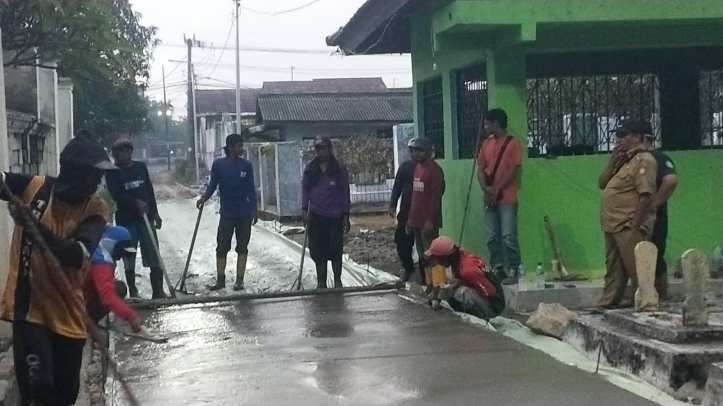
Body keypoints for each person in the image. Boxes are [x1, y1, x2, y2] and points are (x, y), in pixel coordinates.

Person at [0, 136, 112, 406]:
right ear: (75, 172)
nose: (97, 183)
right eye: (94, 175)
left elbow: (76, 254)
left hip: (69, 315)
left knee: (65, 395)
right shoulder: (35, 188)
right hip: (29, 310)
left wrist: (34, 227)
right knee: (39, 389)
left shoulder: (96, 208)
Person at [597, 120, 658, 309]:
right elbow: (602, 182)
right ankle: (609, 301)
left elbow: (646, 195)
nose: (619, 139)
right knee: (613, 267)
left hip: (628, 222)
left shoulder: (644, 160)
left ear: (638, 137)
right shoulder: (625, 160)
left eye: (623, 135)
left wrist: (635, 225)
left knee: (636, 267)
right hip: (613, 222)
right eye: (618, 135)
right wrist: (613, 161)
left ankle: (646, 302)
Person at [105, 139, 166, 299]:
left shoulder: (140, 167)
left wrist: (155, 213)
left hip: (146, 217)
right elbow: (116, 195)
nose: (120, 155)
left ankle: (158, 290)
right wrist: (134, 202)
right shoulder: (112, 172)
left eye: (123, 151)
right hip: (126, 219)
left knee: (153, 251)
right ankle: (133, 290)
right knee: (129, 253)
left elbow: (149, 191)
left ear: (130, 152)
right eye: (116, 152)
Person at [197, 132, 258, 291]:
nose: (241, 148)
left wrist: (254, 209)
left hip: (244, 213)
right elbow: (212, 185)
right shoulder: (219, 165)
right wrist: (204, 198)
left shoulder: (246, 165)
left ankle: (240, 280)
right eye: (238, 146)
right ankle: (220, 280)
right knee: (222, 247)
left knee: (242, 247)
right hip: (227, 214)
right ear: (230, 147)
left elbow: (251, 189)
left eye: (241, 145)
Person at [477, 108, 524, 285]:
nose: (485, 127)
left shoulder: (513, 144)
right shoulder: (486, 144)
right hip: (490, 196)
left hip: (507, 197)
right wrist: (486, 188)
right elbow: (480, 168)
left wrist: (497, 188)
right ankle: (497, 268)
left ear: (496, 123)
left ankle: (514, 268)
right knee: (491, 236)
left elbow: (513, 170)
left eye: (487, 124)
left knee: (508, 236)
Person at [302, 137, 351, 289]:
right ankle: (321, 283)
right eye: (318, 148)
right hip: (316, 215)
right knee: (318, 251)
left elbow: (345, 192)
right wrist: (304, 209)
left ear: (330, 149)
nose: (321, 151)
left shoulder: (338, 169)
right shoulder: (311, 169)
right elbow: (305, 190)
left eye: (324, 148)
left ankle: (337, 281)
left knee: (335, 250)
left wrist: (346, 214)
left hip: (335, 215)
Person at [425, 236, 505, 320]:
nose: (436, 262)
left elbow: (491, 292)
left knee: (461, 292)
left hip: (494, 305)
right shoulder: (459, 255)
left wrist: (461, 285)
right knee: (451, 288)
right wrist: (460, 282)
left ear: (444, 257)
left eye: (436, 259)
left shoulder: (468, 270)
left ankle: (484, 317)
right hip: (486, 296)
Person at [642, 130, 679, 301]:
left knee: (654, 255)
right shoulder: (634, 159)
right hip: (636, 215)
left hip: (654, 216)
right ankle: (646, 295)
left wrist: (653, 205)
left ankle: (660, 297)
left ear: (644, 138)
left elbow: (671, 180)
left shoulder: (659, 158)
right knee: (641, 256)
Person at [85, 225, 143, 332]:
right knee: (118, 289)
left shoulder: (95, 248)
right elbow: (107, 295)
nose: (121, 257)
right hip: (77, 301)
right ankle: (87, 323)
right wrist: (131, 316)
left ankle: (88, 322)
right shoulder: (101, 261)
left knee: (116, 287)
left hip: (81, 295)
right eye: (121, 251)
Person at [406, 137, 445, 285]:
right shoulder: (417, 168)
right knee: (423, 255)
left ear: (428, 152)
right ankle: (429, 283)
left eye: (419, 151)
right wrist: (410, 219)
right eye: (413, 151)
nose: (415, 154)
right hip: (416, 220)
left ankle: (439, 283)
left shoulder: (434, 170)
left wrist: (430, 220)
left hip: (428, 221)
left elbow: (436, 197)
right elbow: (415, 196)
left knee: (433, 254)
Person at [389, 155, 416, 282]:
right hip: (406, 212)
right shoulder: (406, 167)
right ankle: (408, 267)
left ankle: (427, 277)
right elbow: (397, 187)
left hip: (424, 213)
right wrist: (393, 205)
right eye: (414, 151)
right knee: (402, 241)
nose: (417, 154)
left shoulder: (431, 169)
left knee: (424, 246)